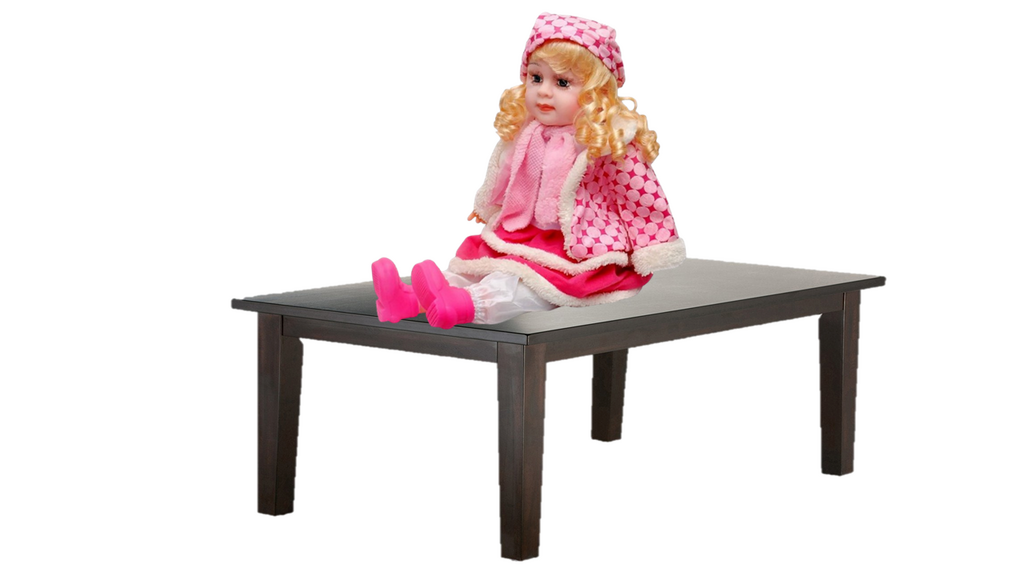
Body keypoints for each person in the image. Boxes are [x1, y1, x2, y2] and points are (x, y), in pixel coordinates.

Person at [372, 12, 686, 329]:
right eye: (536, 78)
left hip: (579, 246)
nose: (544, 91)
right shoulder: (530, 132)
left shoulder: (604, 142)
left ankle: (465, 305)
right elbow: (506, 175)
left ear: (595, 95)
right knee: (481, 266)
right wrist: (490, 205)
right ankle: (408, 299)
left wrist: (653, 248)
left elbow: (641, 196)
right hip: (525, 233)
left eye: (562, 82)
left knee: (525, 284)